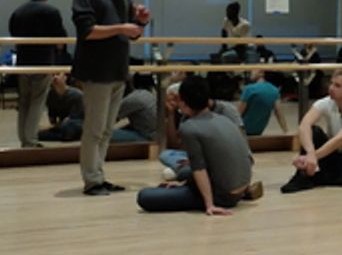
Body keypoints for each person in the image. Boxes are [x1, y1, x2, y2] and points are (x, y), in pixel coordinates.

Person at [70, 0, 151, 195]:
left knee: (106, 130)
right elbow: (87, 31)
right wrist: (122, 28)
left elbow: (132, 34)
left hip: (117, 72)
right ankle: (91, 180)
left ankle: (99, 176)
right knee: (94, 129)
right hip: (96, 73)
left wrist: (140, 21)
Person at [137, 76, 260, 214]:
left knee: (145, 196)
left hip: (224, 196)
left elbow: (199, 168)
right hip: (240, 186)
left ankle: (201, 193)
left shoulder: (190, 127)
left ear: (182, 103)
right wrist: (184, 184)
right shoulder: (224, 118)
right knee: (184, 172)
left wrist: (209, 205)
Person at [280, 69, 342, 193]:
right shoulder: (326, 102)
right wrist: (310, 153)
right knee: (314, 131)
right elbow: (304, 125)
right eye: (331, 83)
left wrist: (312, 156)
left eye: (337, 86)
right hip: (331, 154)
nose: (331, 88)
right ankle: (304, 176)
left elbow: (340, 139)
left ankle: (317, 177)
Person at [8, 0, 68, 148]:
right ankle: (31, 139)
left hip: (23, 62)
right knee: (38, 102)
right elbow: (61, 38)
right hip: (42, 61)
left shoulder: (18, 12)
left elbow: (13, 34)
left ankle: (23, 138)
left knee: (24, 101)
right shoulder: (51, 12)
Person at [239, 69, 287, 136]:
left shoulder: (249, 89)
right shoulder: (274, 90)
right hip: (259, 130)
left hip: (243, 130)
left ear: (261, 73)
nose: (251, 72)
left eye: (253, 70)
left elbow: (238, 114)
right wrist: (286, 131)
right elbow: (279, 113)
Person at [38, 73, 85, 142]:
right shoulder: (50, 95)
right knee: (38, 134)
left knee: (68, 126)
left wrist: (51, 127)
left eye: (58, 74)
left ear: (65, 77)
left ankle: (61, 136)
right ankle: (63, 136)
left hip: (76, 123)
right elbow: (52, 120)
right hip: (61, 125)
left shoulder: (77, 95)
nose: (55, 77)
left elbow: (73, 118)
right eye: (53, 75)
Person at [111, 76, 158, 143]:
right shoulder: (144, 93)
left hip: (148, 137)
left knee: (106, 135)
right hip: (155, 134)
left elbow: (110, 118)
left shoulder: (130, 100)